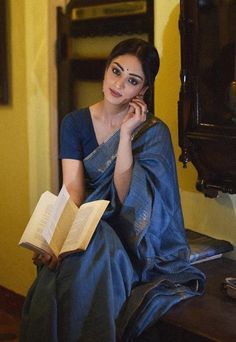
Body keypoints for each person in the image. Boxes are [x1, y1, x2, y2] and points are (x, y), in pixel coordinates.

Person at [20, 38, 205, 342]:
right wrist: (53, 236)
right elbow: (73, 188)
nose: (119, 84)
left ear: (142, 91)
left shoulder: (151, 132)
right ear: (106, 69)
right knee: (59, 266)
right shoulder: (75, 123)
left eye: (132, 80)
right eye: (116, 71)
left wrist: (125, 136)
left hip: (131, 236)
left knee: (99, 245)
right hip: (84, 223)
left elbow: (125, 200)